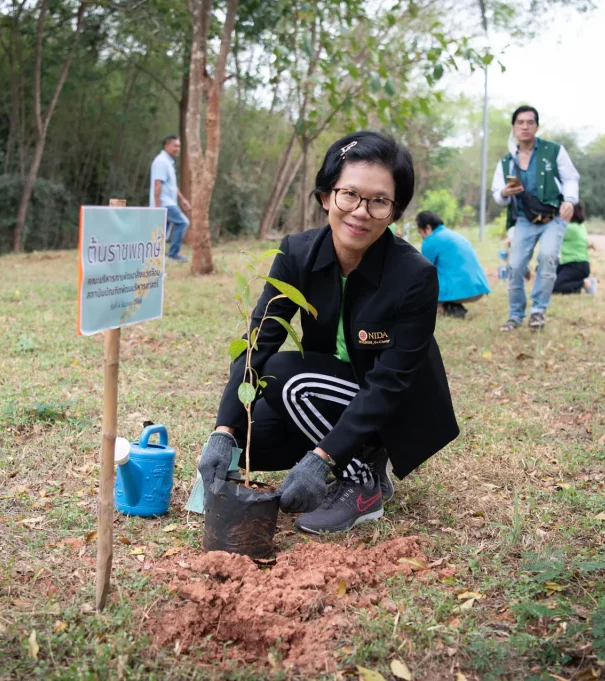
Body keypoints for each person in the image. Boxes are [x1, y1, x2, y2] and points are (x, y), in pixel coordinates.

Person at [196, 131, 459, 534]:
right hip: (328, 394)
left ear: (394, 212)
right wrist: (223, 431)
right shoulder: (296, 254)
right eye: (348, 194)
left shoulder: (414, 276)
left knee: (286, 375)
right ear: (325, 196)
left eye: (378, 201)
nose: (360, 211)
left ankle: (365, 480)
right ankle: (341, 454)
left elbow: (390, 383)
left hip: (398, 407)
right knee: (250, 438)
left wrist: (321, 460)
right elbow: (258, 341)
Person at [491, 105, 580, 331]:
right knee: (515, 266)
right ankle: (515, 315)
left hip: (553, 217)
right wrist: (504, 193)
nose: (525, 127)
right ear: (513, 127)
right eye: (520, 122)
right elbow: (496, 193)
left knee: (548, 256)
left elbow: (571, 178)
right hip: (523, 219)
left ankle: (538, 312)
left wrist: (569, 200)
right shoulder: (506, 161)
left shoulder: (554, 151)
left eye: (530, 122)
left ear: (536, 126)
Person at [415, 210, 491, 319]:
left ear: (427, 228)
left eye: (420, 232)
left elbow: (423, 273)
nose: (421, 236)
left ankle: (442, 307)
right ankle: (452, 307)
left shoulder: (430, 241)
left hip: (463, 291)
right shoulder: (453, 234)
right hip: (478, 289)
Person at [148, 135, 193, 263]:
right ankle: (173, 254)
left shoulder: (168, 162)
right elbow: (157, 185)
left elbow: (172, 186)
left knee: (161, 232)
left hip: (168, 202)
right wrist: (157, 208)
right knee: (183, 222)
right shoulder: (161, 162)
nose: (177, 149)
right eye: (175, 146)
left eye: (179, 146)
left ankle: (155, 256)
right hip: (164, 203)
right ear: (166, 146)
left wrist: (183, 199)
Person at [553, 203, 597, 295]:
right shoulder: (581, 226)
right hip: (580, 265)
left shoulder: (567, 228)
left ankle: (585, 283)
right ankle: (575, 288)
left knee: (555, 287)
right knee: (551, 277)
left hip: (574, 265)